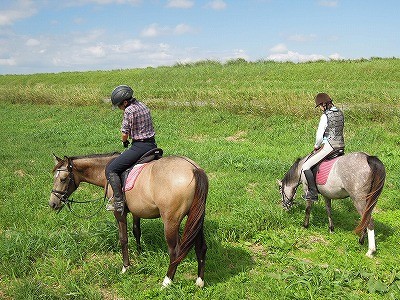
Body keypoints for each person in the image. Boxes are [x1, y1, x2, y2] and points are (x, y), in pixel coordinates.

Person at [105, 85, 157, 214]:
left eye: (119, 106)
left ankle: (118, 202)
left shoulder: (129, 110)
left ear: (125, 102)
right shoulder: (143, 105)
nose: (120, 108)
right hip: (152, 145)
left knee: (111, 169)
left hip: (139, 147)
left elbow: (124, 133)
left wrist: (124, 141)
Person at [301, 93, 345, 201]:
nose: (320, 108)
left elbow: (319, 136)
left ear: (324, 104)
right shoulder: (340, 112)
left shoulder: (325, 116)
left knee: (306, 166)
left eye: (320, 106)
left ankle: (312, 193)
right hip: (341, 146)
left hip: (330, 147)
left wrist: (316, 146)